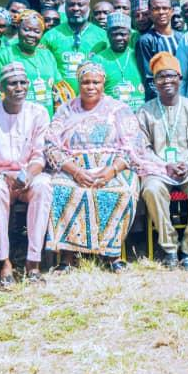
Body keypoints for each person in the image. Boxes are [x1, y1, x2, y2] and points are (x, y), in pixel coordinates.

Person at [44, 61, 156, 273]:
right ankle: (67, 257)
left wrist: (112, 170)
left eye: (95, 82)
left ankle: (112, 254)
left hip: (113, 167)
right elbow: (51, 145)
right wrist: (75, 171)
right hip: (74, 168)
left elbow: (135, 144)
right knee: (60, 189)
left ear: (103, 83)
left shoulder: (118, 109)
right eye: (85, 82)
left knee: (122, 191)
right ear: (79, 84)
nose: (91, 87)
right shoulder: (66, 110)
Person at [0, 63, 52, 284]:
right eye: (12, 83)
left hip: (29, 176)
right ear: (1, 86)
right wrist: (3, 176)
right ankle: (4, 261)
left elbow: (39, 156)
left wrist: (26, 175)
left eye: (23, 83)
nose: (19, 87)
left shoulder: (38, 112)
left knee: (44, 185)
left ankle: (33, 261)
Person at [136, 52, 188, 270]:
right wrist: (164, 166)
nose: (166, 81)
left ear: (180, 78)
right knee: (150, 188)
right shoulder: (145, 111)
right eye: (160, 77)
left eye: (171, 76)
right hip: (158, 169)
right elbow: (143, 149)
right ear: (154, 82)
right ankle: (169, 247)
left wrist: (187, 165)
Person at [44, 0, 109, 96]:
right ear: (65, 7)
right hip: (60, 100)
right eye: (71, 4)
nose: (75, 8)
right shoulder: (51, 36)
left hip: (94, 100)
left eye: (80, 4)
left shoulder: (103, 36)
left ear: (88, 6)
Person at [0, 10, 59, 116]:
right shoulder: (4, 55)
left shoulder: (47, 55)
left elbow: (58, 87)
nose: (31, 35)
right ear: (18, 28)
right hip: (15, 118)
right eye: (26, 30)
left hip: (46, 118)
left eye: (37, 31)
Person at [137, 0, 184, 100]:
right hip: (159, 102)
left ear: (171, 11)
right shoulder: (145, 41)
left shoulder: (182, 38)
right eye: (156, 9)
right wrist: (166, 101)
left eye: (165, 8)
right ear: (149, 13)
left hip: (183, 99)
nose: (161, 12)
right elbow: (149, 79)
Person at [96, 12, 144, 112]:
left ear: (130, 35)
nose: (119, 38)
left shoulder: (138, 55)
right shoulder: (98, 59)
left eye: (123, 34)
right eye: (114, 34)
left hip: (139, 115)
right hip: (110, 116)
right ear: (108, 35)